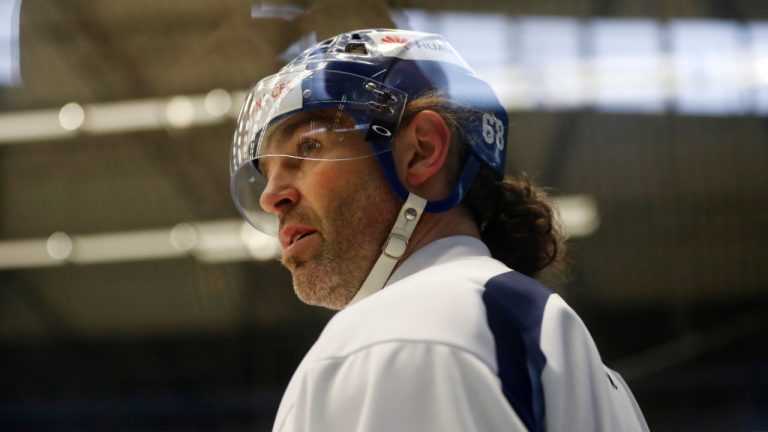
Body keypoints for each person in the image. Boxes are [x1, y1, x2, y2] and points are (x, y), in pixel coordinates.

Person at [230, 29, 648, 432]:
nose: (271, 197)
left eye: (308, 147)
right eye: (265, 174)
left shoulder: (400, 334)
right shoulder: (567, 350)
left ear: (422, 152)